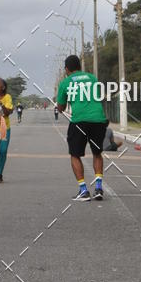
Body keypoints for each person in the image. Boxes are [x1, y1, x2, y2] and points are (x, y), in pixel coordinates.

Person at [56, 55, 107, 201]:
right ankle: (98, 188)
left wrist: (60, 106)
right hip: (98, 119)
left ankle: (84, 190)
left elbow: (61, 107)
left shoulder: (66, 82)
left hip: (79, 121)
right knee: (97, 153)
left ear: (67, 69)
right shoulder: (92, 78)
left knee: (75, 155)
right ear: (80, 66)